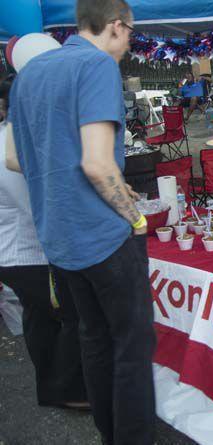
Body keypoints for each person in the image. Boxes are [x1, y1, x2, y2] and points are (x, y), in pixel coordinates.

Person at [5, 1, 156, 443]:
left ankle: (110, 433)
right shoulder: (96, 67)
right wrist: (137, 220)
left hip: (58, 237)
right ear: (113, 25)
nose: (129, 42)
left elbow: (15, 158)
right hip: (103, 236)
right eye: (129, 32)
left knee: (94, 339)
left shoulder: (29, 73)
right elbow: (96, 164)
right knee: (132, 346)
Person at [0, 74, 87, 410]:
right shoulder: (12, 144)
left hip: (15, 253)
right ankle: (70, 390)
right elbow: (36, 206)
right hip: (28, 254)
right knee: (72, 315)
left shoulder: (13, 137)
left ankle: (51, 389)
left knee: (38, 317)